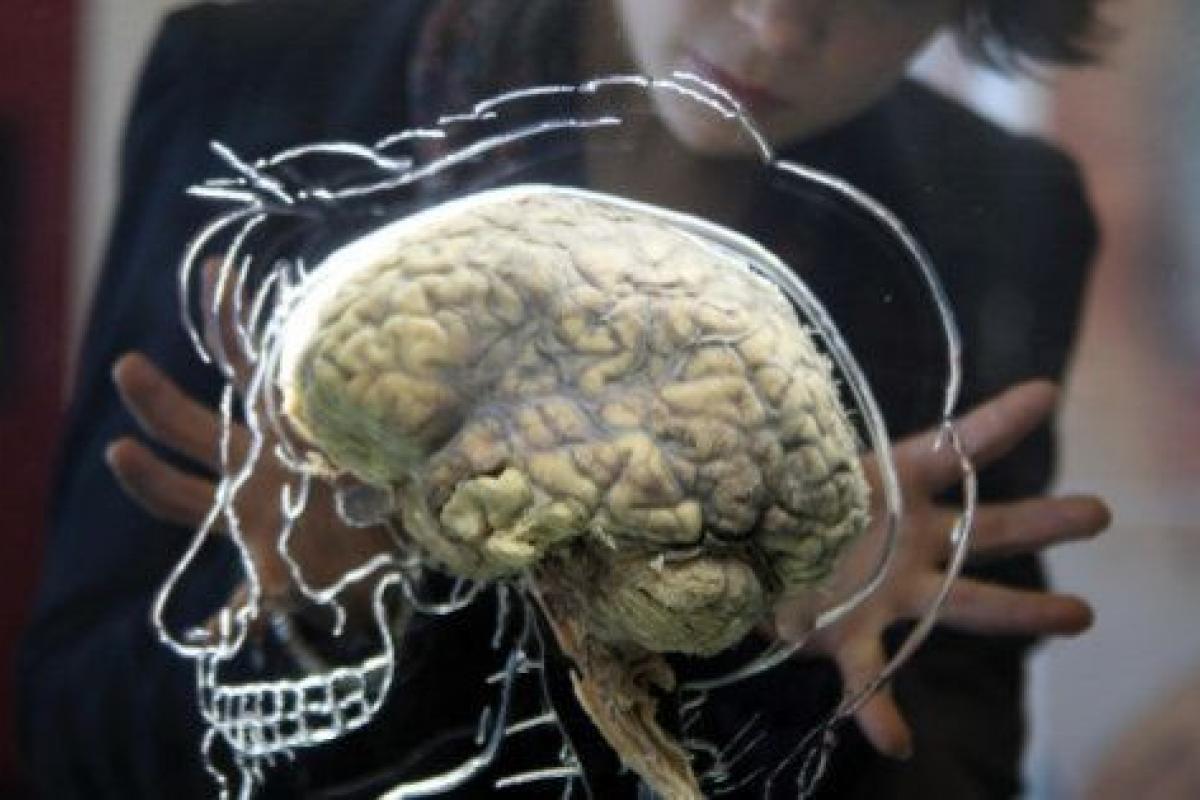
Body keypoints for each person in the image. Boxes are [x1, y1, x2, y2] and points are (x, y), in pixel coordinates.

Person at [19, 0, 1112, 797]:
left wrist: (776, 635)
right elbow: (74, 735)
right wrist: (326, 625)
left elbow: (949, 759)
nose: (778, 26)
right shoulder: (258, 82)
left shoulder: (996, 217)